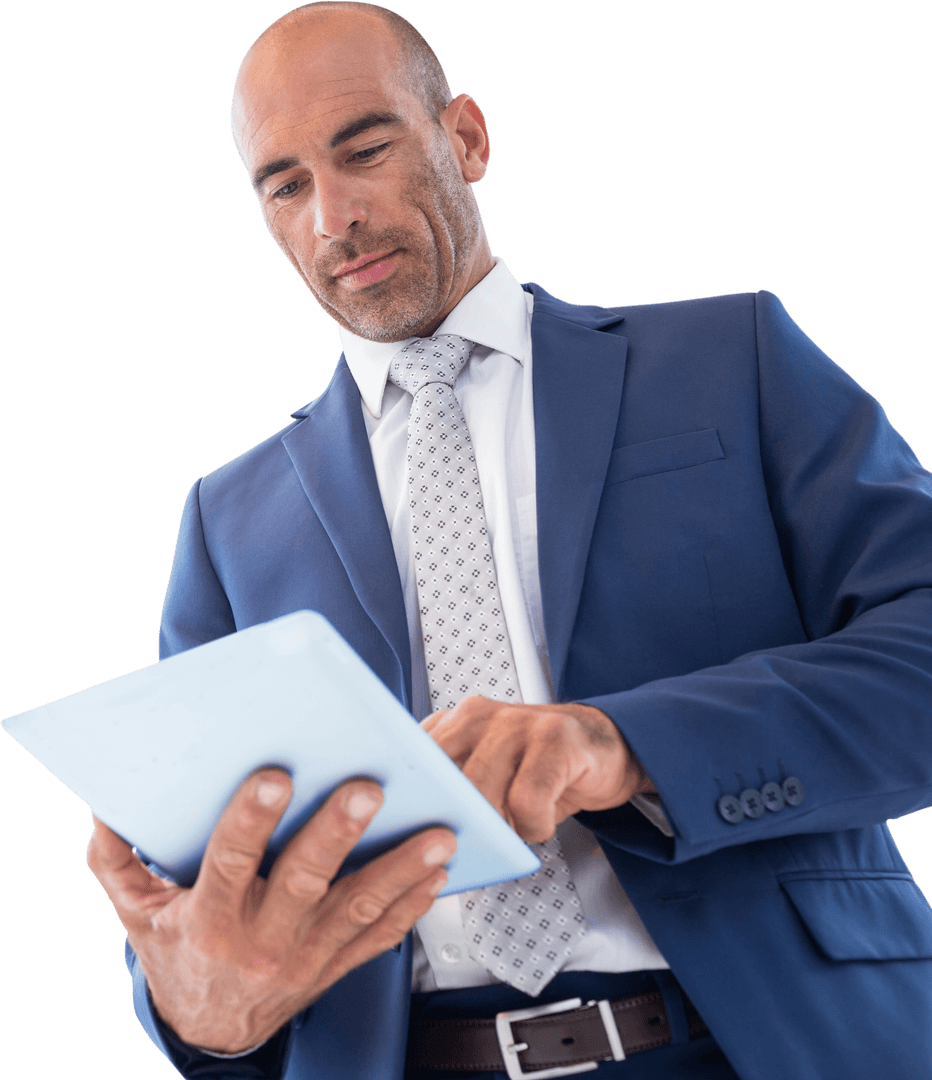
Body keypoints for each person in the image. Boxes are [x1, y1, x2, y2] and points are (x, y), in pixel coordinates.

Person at [86, 3, 932, 1078]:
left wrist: (621, 744)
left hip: (763, 1042)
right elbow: (204, 880)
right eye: (285, 185)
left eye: (366, 149)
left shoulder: (732, 361)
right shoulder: (226, 520)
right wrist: (194, 1006)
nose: (332, 216)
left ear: (467, 140)